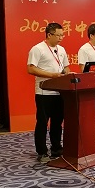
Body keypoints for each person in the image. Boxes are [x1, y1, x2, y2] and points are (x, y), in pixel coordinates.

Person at [27, 22, 71, 162]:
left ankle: (56, 148)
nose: (61, 38)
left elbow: (66, 68)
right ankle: (42, 152)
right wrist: (52, 75)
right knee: (42, 122)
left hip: (59, 92)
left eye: (62, 35)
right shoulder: (37, 49)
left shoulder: (61, 50)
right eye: (58, 35)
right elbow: (31, 68)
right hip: (44, 92)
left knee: (57, 122)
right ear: (49, 35)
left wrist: (67, 74)